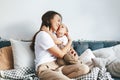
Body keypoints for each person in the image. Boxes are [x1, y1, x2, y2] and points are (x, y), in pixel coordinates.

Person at [30, 11, 89, 80]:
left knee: (84, 68)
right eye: (58, 20)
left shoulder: (54, 36)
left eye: (60, 22)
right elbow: (60, 54)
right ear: (48, 20)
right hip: (46, 68)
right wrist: (70, 41)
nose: (59, 24)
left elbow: (60, 43)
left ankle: (61, 77)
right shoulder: (43, 34)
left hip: (58, 66)